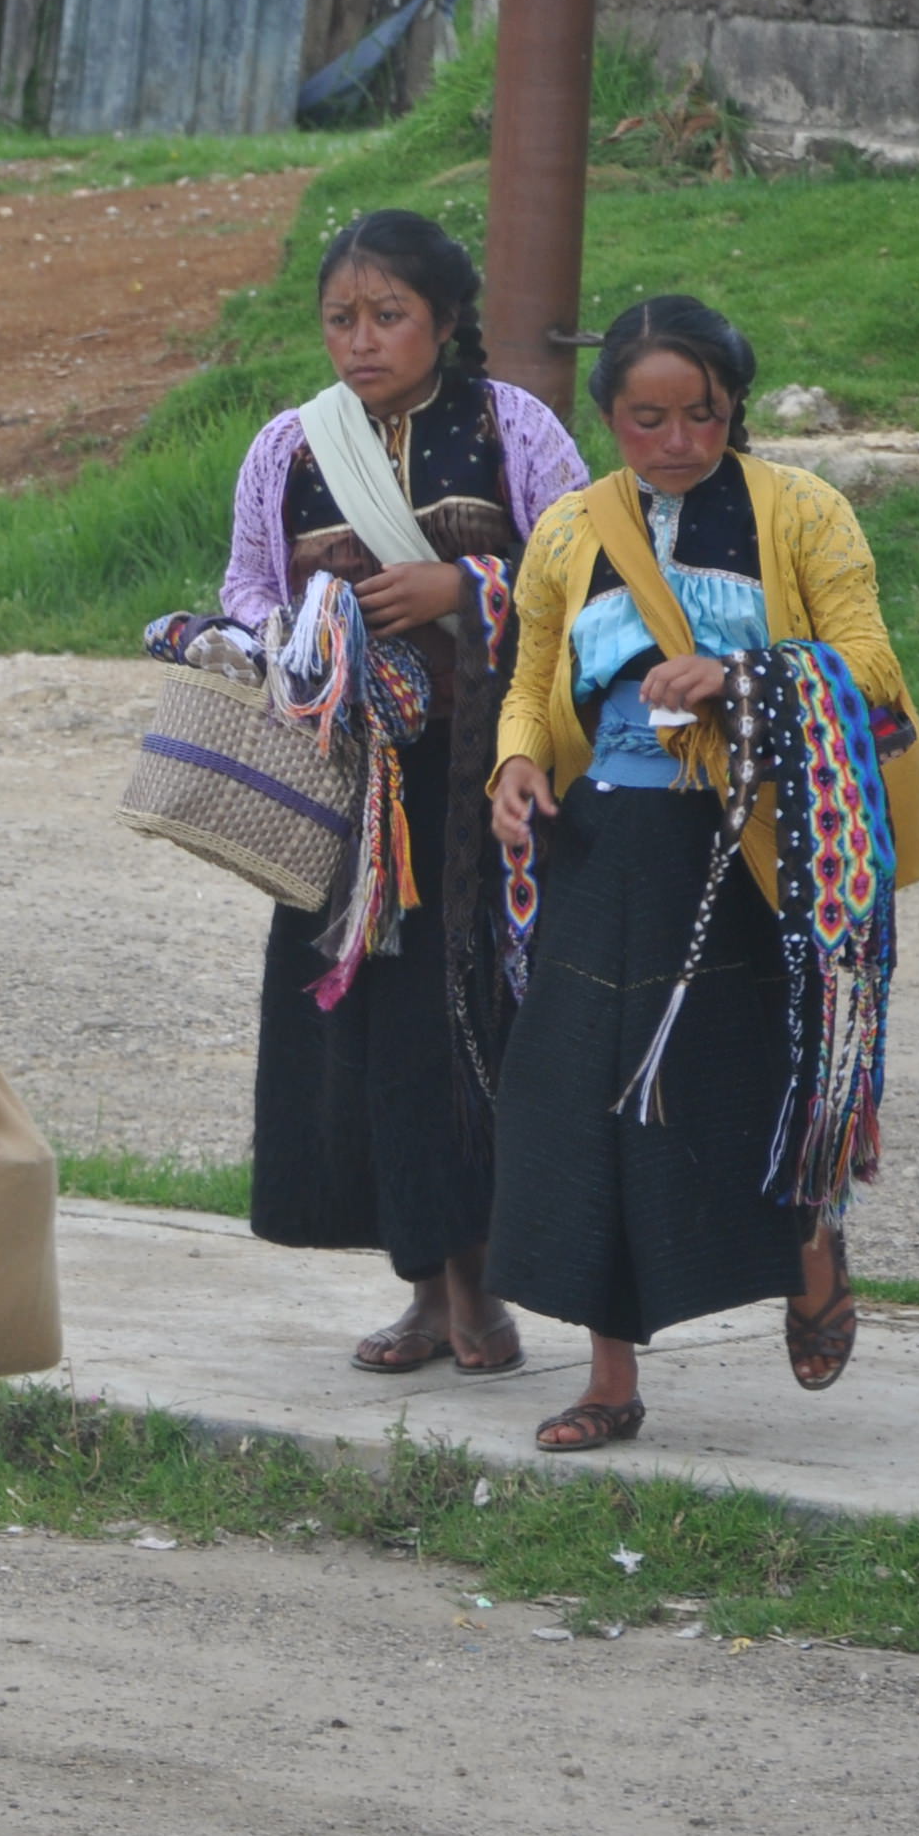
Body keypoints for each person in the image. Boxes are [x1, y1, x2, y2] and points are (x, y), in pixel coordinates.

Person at [488, 298, 919, 1449]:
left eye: (702, 414)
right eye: (647, 418)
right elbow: (533, 669)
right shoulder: (570, 530)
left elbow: (869, 662)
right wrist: (517, 762)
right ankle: (608, 1376)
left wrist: (738, 677)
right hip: (601, 845)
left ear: (733, 407)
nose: (678, 440)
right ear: (610, 418)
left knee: (746, 1080)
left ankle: (808, 1247)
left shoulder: (803, 513)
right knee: (581, 1102)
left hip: (751, 850)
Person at [221, 210, 588, 1377]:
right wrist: (288, 638)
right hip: (349, 797)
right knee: (373, 1037)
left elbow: (582, 570)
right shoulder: (291, 446)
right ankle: (424, 1291)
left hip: (486, 793)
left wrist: (462, 583)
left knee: (477, 1023)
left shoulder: (508, 426)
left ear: (444, 321)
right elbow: (243, 585)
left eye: (389, 317)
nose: (362, 341)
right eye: (342, 319)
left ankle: (485, 1283)